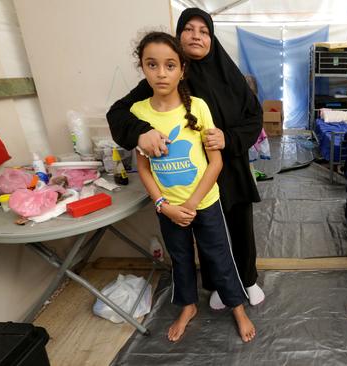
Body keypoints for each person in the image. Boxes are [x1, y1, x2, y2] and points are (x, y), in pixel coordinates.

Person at [107, 8, 264, 310]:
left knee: (240, 227)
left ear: (211, 38)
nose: (196, 35)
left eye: (203, 31)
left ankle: (248, 278)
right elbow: (117, 113)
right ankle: (217, 285)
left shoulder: (230, 74)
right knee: (206, 232)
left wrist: (228, 138)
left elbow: (253, 116)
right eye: (189, 29)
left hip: (229, 167)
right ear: (179, 36)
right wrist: (142, 132)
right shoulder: (170, 74)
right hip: (190, 176)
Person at [130, 31, 255, 343]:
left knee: (219, 256)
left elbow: (216, 163)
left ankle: (237, 308)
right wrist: (164, 206)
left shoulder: (198, 107)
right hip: (167, 208)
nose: (161, 73)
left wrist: (192, 204)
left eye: (170, 65)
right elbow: (143, 168)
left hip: (204, 201)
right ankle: (188, 306)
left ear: (182, 70)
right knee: (180, 257)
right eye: (152, 64)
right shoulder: (138, 113)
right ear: (142, 68)